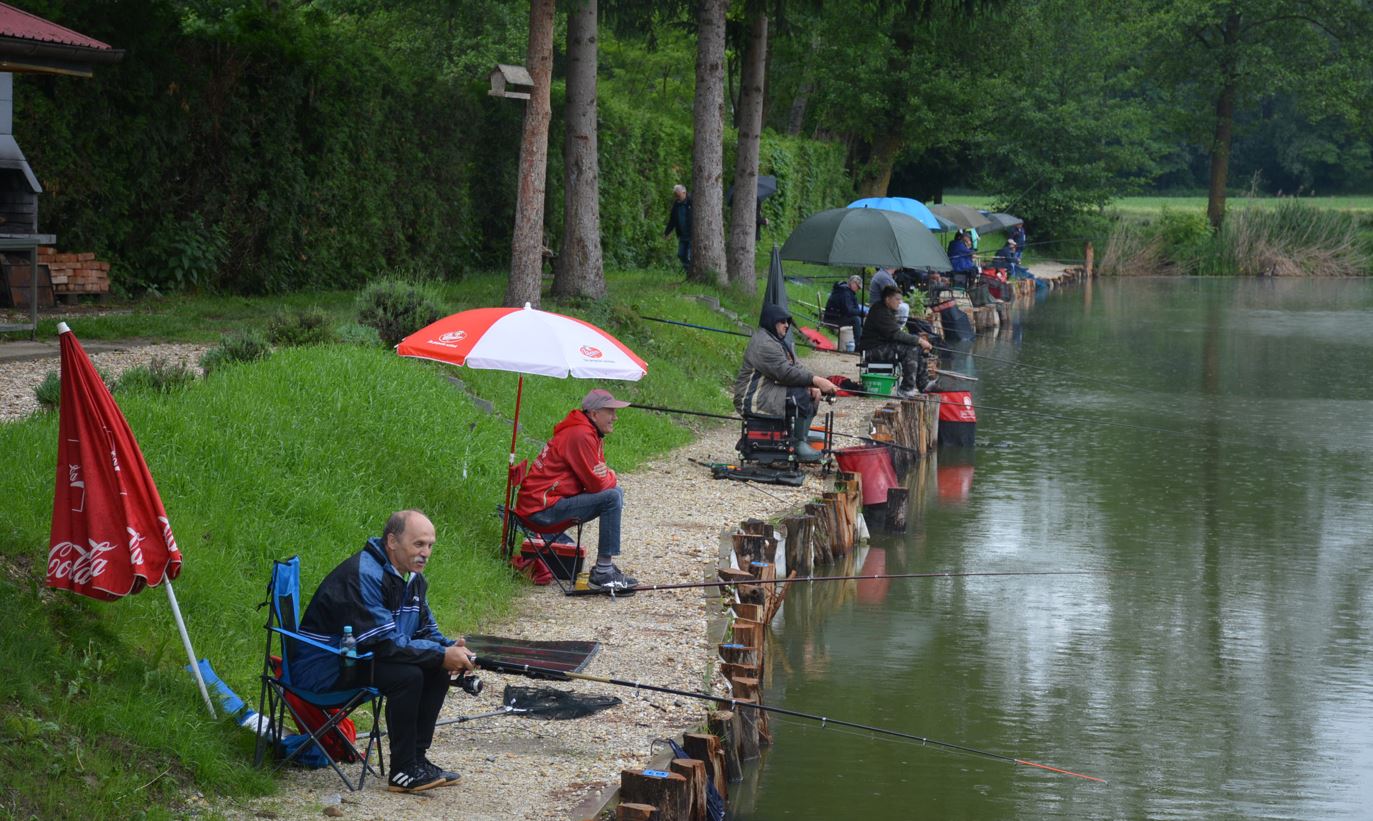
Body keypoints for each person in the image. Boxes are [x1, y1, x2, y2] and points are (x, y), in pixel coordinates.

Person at [292, 510, 476, 794]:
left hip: (360, 657)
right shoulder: (363, 574)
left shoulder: (413, 578)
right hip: (326, 666)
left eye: (430, 545)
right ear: (392, 541)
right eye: (418, 544)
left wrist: (452, 649)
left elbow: (426, 631)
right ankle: (402, 770)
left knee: (436, 669)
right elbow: (383, 642)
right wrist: (441, 654)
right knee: (409, 676)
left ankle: (417, 761)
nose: (426, 553)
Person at [514, 389, 636, 593]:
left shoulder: (588, 430)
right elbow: (597, 484)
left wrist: (606, 475)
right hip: (540, 511)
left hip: (543, 504)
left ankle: (604, 568)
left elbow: (600, 472)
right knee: (612, 497)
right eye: (610, 411)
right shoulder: (581, 434)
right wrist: (611, 475)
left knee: (615, 492)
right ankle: (603, 573)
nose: (615, 417)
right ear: (594, 413)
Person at [733, 304, 838, 462]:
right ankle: (798, 445)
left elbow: (796, 366)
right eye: (782, 321)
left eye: (787, 322)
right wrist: (816, 380)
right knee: (799, 395)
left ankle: (800, 440)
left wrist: (813, 385)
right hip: (751, 397)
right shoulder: (764, 344)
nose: (786, 325)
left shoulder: (776, 340)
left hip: (766, 391)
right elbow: (785, 373)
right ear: (771, 321)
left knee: (810, 393)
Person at [859, 285, 937, 399]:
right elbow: (896, 334)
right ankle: (906, 389)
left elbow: (895, 334)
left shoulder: (886, 309)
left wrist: (918, 342)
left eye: (900, 299)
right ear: (887, 299)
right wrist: (919, 340)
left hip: (883, 345)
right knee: (911, 349)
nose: (900, 302)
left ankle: (923, 384)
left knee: (917, 347)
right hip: (872, 350)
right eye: (897, 299)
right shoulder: (880, 311)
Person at [823, 275, 866, 341]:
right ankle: (858, 344)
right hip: (832, 318)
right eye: (858, 287)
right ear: (853, 283)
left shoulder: (849, 293)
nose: (858, 289)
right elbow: (849, 311)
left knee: (861, 318)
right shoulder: (844, 292)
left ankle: (863, 340)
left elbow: (855, 308)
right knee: (856, 319)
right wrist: (862, 313)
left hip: (838, 316)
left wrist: (862, 313)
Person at [663, 184, 692, 272]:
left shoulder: (691, 202)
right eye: (675, 195)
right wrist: (667, 233)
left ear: (684, 192)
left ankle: (691, 271)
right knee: (681, 254)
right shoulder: (676, 205)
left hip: (692, 235)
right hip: (682, 235)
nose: (677, 197)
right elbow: (672, 220)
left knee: (690, 256)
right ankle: (688, 272)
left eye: (678, 195)